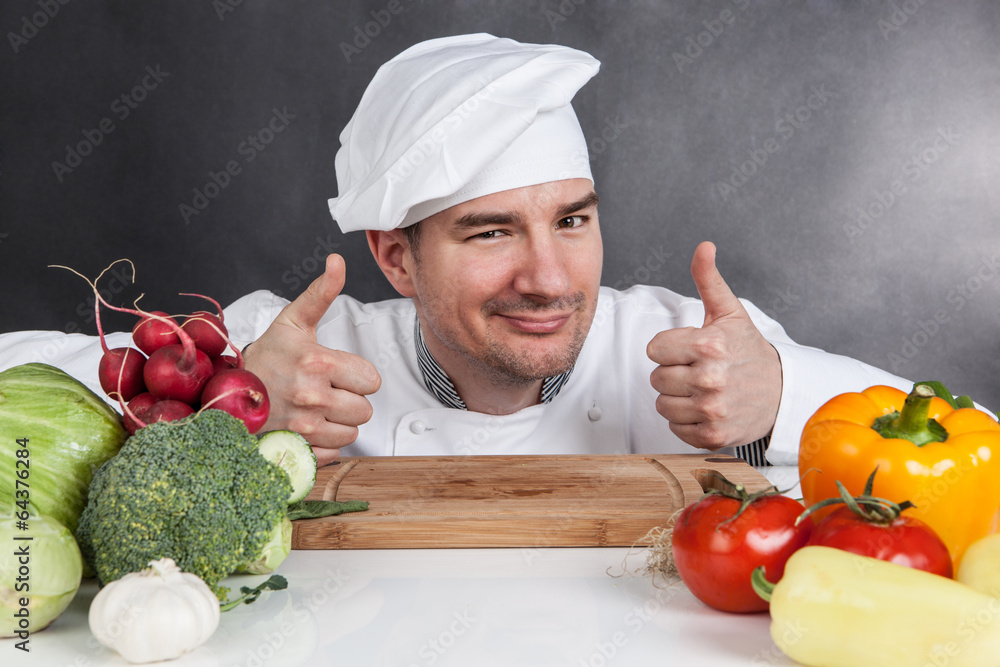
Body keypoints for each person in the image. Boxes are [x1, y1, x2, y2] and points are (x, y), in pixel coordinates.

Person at [0, 34, 911, 468]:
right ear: (396, 258)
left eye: (571, 219)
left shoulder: (686, 348)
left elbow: (968, 441)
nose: (549, 278)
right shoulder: (296, 357)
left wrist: (784, 398)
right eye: (490, 231)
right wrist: (219, 408)